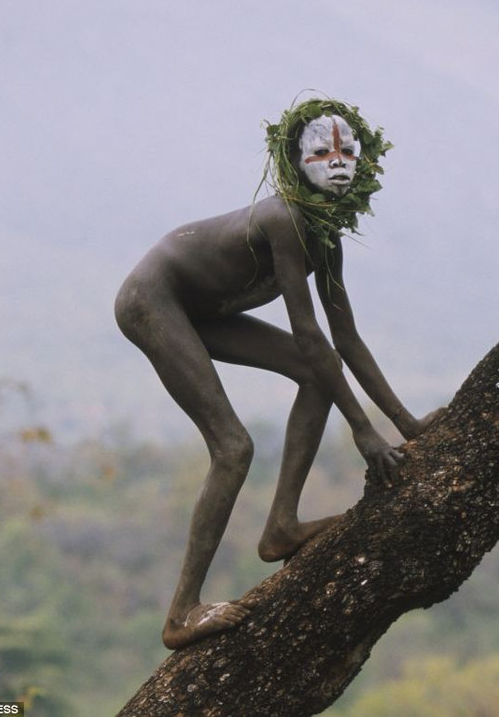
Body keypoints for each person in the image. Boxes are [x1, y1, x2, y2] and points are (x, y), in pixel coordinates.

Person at [114, 98, 440, 650]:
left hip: (204, 308)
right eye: (322, 153)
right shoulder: (285, 218)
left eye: (347, 152)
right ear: (294, 160)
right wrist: (364, 431)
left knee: (315, 377)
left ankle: (282, 526)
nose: (337, 163)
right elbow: (309, 335)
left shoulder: (325, 233)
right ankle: (181, 613)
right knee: (233, 447)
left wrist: (405, 425)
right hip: (154, 299)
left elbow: (345, 338)